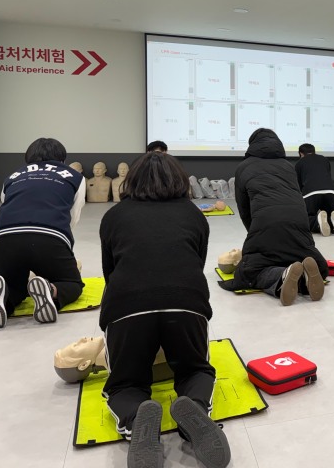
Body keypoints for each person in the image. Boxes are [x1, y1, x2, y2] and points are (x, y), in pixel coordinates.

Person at [98, 152, 230, 468]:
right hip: (186, 304)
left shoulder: (114, 216)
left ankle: (135, 418)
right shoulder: (194, 215)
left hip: (128, 307)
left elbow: (110, 273)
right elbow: (195, 264)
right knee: (195, 369)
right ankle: (194, 409)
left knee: (126, 383)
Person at [0, 138, 85, 329]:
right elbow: (73, 217)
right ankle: (51, 290)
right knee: (72, 283)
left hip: (2, 237)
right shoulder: (75, 176)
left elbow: (6, 205)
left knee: (14, 285)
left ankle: (3, 298)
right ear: (62, 159)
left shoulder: (13, 176)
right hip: (49, 235)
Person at [223, 129, 328, 305]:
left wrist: (255, 233)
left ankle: (282, 276)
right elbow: (298, 199)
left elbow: (244, 210)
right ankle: (304, 276)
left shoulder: (243, 167)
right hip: (299, 225)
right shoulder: (288, 166)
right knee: (321, 268)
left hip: (265, 224)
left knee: (249, 272)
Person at [295, 143, 334, 236]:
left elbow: (299, 184)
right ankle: (333, 221)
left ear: (301, 154)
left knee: (304, 218)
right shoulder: (324, 159)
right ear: (314, 152)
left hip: (311, 192)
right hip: (330, 191)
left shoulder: (299, 163)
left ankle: (317, 222)